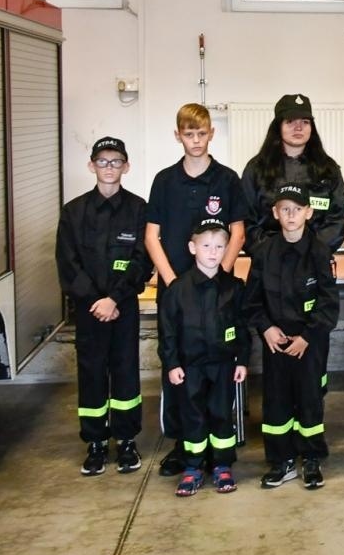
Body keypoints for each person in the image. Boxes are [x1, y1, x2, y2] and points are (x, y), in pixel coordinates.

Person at [145, 104, 251, 476]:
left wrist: (217, 275)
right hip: (177, 292)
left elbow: (237, 231)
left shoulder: (226, 179)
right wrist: (173, 282)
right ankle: (181, 445)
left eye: (201, 134)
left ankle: (218, 449)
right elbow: (151, 236)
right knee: (178, 370)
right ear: (178, 136)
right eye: (188, 134)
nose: (195, 141)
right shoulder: (164, 181)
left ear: (211, 135)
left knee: (220, 372)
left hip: (218, 294)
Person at [55, 136, 152, 476]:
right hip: (89, 310)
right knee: (92, 373)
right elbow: (67, 263)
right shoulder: (74, 211)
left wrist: (114, 298)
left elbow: (142, 260)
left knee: (125, 372)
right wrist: (96, 301)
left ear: (126, 166)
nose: (109, 167)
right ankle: (95, 443)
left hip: (123, 306)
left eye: (116, 161)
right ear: (91, 166)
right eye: (103, 161)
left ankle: (126, 441)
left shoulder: (139, 209)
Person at [248, 184, 340, 491]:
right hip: (275, 341)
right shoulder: (263, 252)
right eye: (284, 209)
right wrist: (266, 328)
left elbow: (329, 302)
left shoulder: (320, 251)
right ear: (275, 213)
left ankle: (311, 457)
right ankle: (282, 460)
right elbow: (252, 300)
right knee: (276, 401)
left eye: (297, 209)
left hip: (309, 343)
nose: (291, 215)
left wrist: (308, 336)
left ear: (308, 212)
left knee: (309, 399)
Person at [158, 217, 250, 496]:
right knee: (193, 416)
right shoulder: (177, 289)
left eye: (219, 246)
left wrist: (242, 359)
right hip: (190, 368)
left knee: (222, 414)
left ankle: (222, 465)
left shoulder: (234, 287)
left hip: (223, 365)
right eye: (206, 245)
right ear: (192, 247)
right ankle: (193, 467)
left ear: (227, 249)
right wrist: (172, 363)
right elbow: (168, 331)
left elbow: (243, 327)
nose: (213, 252)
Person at [241, 93, 344, 256]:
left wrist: (311, 251)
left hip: (314, 260)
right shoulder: (257, 169)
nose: (298, 127)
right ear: (278, 126)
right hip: (268, 261)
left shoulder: (328, 169)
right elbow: (246, 220)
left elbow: (337, 217)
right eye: (291, 121)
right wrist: (272, 252)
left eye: (305, 122)